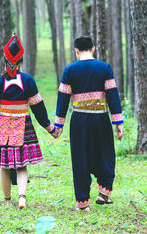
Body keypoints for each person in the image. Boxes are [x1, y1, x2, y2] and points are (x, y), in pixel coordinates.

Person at [0, 35, 59, 209]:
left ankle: (7, 200)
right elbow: (38, 108)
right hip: (22, 124)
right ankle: (22, 198)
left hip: (2, 125)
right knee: (21, 165)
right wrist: (50, 128)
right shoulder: (28, 81)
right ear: (21, 61)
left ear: (4, 59)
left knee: (4, 165)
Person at [55, 36, 124, 211]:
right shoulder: (104, 68)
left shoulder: (69, 70)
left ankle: (83, 203)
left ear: (76, 50)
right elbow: (113, 96)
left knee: (80, 158)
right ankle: (104, 193)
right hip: (101, 118)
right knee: (105, 153)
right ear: (93, 48)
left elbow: (63, 99)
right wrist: (118, 122)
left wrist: (59, 125)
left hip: (79, 120)